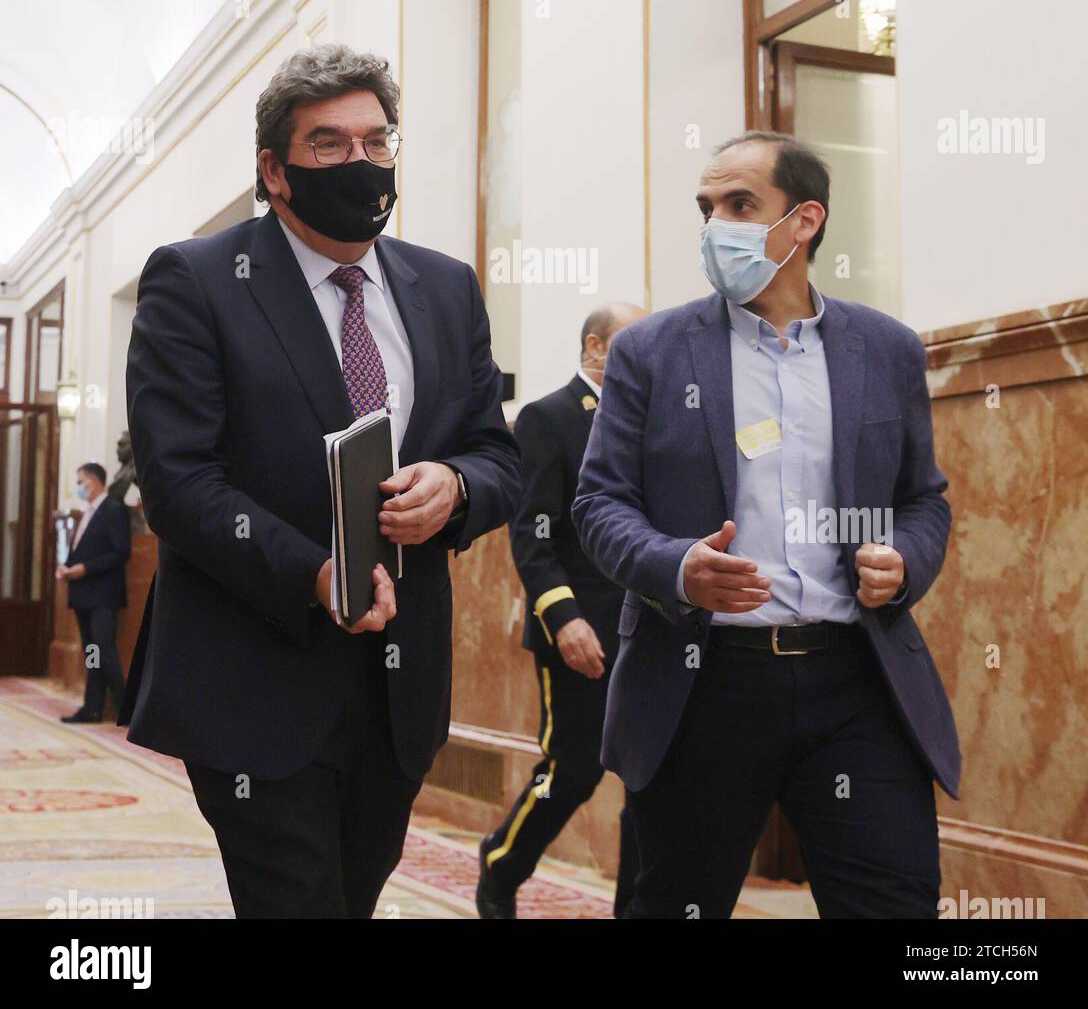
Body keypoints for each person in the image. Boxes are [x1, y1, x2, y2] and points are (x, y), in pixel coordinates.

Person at [120, 44, 521, 919]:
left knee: (352, 900)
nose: (363, 164)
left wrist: (455, 485)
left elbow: (499, 454)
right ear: (275, 168)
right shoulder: (196, 281)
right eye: (331, 146)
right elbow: (180, 481)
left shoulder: (447, 289)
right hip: (253, 678)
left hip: (397, 687)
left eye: (378, 142)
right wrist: (311, 570)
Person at [572, 130, 960, 919]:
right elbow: (598, 503)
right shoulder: (651, 352)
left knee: (897, 902)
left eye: (741, 205)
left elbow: (925, 499)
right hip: (703, 680)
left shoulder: (884, 349)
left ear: (805, 220)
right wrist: (677, 565)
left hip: (857, 678)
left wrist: (905, 562)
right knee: (675, 902)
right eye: (706, 208)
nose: (717, 225)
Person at [477, 302, 645, 919]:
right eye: (635, 340)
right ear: (596, 347)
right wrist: (563, 617)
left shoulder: (649, 417)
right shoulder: (548, 418)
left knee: (650, 780)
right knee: (572, 772)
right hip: (580, 633)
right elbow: (532, 532)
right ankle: (502, 862)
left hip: (652, 632)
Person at [56, 462, 132, 724]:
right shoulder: (86, 513)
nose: (78, 487)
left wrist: (84, 569)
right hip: (83, 593)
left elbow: (121, 552)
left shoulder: (113, 510)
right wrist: (66, 567)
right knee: (93, 651)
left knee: (103, 648)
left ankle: (127, 709)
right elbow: (82, 549)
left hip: (103, 594)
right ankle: (93, 707)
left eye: (80, 482)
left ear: (94, 481)